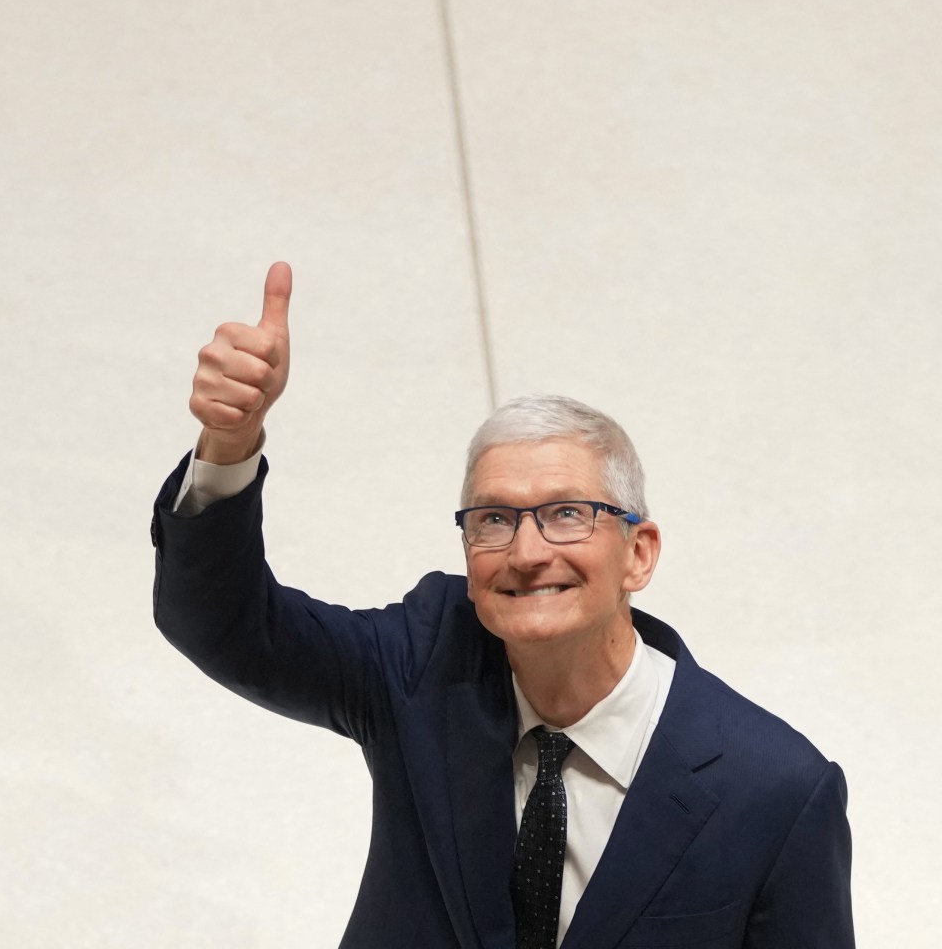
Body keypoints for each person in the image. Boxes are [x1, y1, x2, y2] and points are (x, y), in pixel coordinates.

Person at [151, 263, 853, 949]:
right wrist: (229, 445)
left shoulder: (774, 789)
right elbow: (227, 627)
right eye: (493, 519)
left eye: (567, 513)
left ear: (639, 554)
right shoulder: (425, 662)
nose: (525, 552)